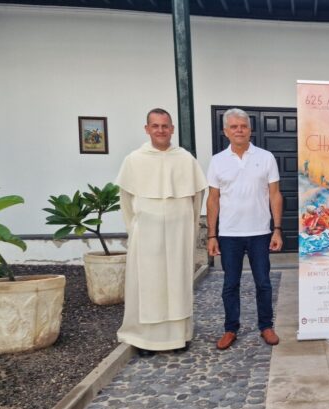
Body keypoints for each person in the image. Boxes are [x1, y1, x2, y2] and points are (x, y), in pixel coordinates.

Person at [115, 108, 207, 357]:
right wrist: (135, 228)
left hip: (178, 230)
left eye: (165, 126)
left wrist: (190, 226)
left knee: (177, 280)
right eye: (155, 126)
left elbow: (197, 196)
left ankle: (178, 336)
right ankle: (146, 340)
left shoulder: (185, 159)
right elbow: (126, 200)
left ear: (172, 129)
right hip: (147, 231)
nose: (160, 130)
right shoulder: (134, 159)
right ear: (147, 129)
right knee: (149, 282)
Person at [207, 108, 283, 349]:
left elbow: (275, 195)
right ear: (225, 131)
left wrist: (277, 229)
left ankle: (266, 326)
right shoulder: (217, 161)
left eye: (243, 126)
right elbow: (213, 199)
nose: (239, 130)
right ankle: (230, 329)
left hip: (260, 232)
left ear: (250, 130)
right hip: (229, 234)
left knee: (263, 282)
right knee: (230, 283)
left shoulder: (266, 157)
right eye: (234, 127)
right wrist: (211, 235)